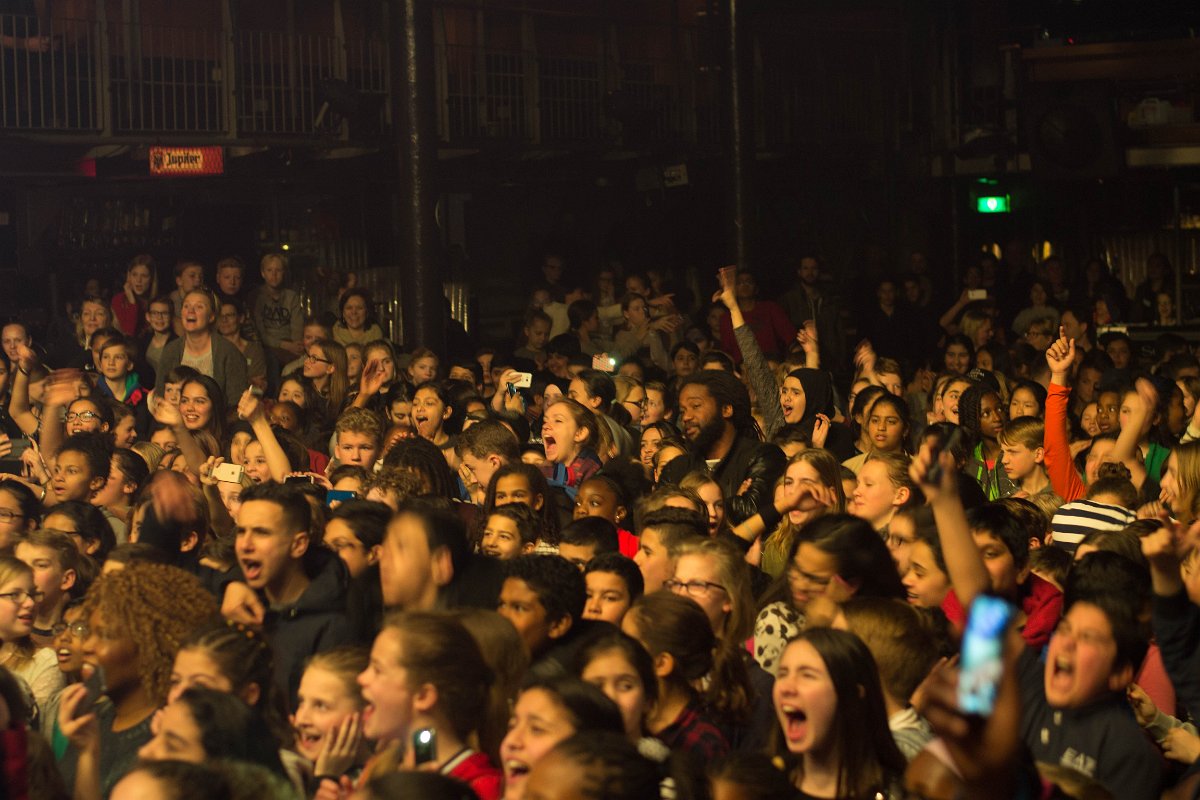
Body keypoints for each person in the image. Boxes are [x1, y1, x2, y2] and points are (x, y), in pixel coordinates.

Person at [57, 564, 218, 798]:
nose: (87, 647)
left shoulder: (167, 738)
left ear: (151, 645)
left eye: (105, 635)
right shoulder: (94, 719)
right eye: (88, 633)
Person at [352, 611, 502, 800]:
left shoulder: (481, 788)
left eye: (377, 670)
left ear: (423, 696)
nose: (361, 678)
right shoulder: (380, 767)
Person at [233, 482, 352, 700]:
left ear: (298, 545)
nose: (245, 545)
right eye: (241, 532)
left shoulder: (333, 627)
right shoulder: (237, 608)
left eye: (261, 533)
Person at [753, 514, 904, 675]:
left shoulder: (884, 626)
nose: (800, 585)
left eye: (815, 579)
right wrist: (816, 628)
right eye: (796, 570)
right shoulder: (778, 620)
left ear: (852, 584)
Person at [772, 628, 906, 798]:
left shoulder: (893, 793)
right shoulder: (761, 787)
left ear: (852, 695)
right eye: (782, 674)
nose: (786, 688)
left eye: (807, 675)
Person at [660, 370, 787, 525]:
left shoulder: (763, 457)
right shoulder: (677, 467)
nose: (686, 417)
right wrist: (733, 503)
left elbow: (752, 511)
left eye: (696, 406)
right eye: (683, 410)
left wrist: (689, 510)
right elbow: (662, 518)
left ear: (726, 409)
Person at [154, 288, 249, 405]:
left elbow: (237, 405)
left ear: (211, 316)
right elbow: (159, 396)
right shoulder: (171, 351)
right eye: (186, 306)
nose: (190, 311)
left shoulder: (228, 353)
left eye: (199, 307)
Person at [251, 253, 304, 365]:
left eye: (278, 270)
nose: (274, 275)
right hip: (267, 346)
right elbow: (259, 332)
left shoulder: (291, 297)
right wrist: (283, 345)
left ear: (283, 272)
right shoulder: (256, 296)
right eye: (269, 270)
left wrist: (296, 345)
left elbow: (297, 326)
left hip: (291, 345)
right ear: (263, 273)